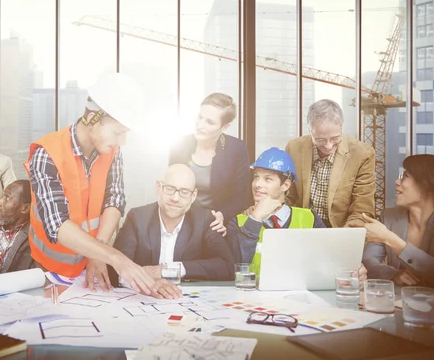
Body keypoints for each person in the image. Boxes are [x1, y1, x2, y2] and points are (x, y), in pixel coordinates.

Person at [26, 72, 155, 296]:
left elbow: (115, 199)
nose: (121, 142)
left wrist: (99, 252)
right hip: (49, 271)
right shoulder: (46, 154)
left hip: (93, 265)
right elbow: (57, 225)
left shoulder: (112, 151)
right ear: (92, 118)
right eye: (118, 132)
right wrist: (115, 258)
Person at [238, 147, 368, 284]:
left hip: (301, 298)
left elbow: (332, 258)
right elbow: (235, 269)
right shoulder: (239, 222)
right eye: (256, 177)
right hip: (254, 298)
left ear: (285, 185)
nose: (257, 184)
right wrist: (255, 218)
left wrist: (354, 272)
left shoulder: (310, 218)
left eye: (268, 179)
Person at [110, 164, 234, 293]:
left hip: (187, 302)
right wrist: (149, 285)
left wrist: (167, 270)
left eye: (184, 192)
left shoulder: (204, 220)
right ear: (159, 187)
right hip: (143, 299)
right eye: (170, 189)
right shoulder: (137, 218)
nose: (175, 198)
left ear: (193, 196)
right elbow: (115, 270)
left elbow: (227, 267)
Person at [169, 93, 249, 254]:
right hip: (183, 219)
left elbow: (241, 197)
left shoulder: (237, 149)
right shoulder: (180, 145)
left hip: (217, 222)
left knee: (221, 261)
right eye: (200, 117)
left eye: (210, 122)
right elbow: (170, 187)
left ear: (224, 126)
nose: (200, 125)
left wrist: (221, 215)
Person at [285, 99, 376, 228]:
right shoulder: (294, 148)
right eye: (320, 139)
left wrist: (351, 228)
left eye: (335, 138)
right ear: (310, 131)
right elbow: (288, 195)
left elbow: (362, 205)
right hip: (302, 226)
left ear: (341, 127)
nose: (328, 146)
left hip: (341, 228)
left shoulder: (362, 154)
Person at [362, 155, 434, 290]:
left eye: (405, 176)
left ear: (428, 183)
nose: (397, 181)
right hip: (400, 303)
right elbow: (367, 262)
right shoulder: (388, 217)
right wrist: (393, 274)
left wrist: (390, 239)